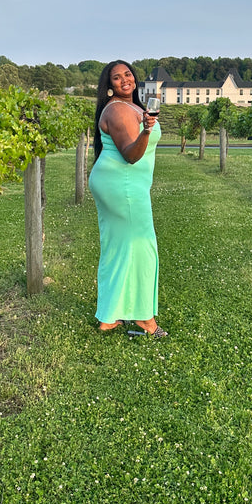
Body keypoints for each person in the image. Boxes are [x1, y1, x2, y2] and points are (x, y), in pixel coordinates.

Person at [88, 60, 168, 338]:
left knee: (118, 248)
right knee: (142, 247)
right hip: (122, 185)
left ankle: (109, 318)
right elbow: (131, 156)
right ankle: (145, 319)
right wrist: (146, 130)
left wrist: (146, 125)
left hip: (121, 184)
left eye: (128, 74)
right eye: (116, 77)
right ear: (109, 86)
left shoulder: (132, 106)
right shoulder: (119, 110)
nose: (125, 80)